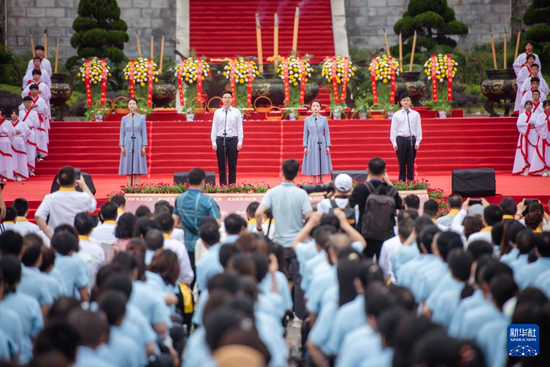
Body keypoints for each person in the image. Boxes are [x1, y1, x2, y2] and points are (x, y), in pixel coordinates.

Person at [255, 159, 312, 270]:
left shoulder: (272, 192)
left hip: (280, 243)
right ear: (296, 174)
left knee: (281, 275)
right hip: (298, 243)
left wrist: (259, 229)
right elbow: (309, 216)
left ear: (282, 172)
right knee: (298, 279)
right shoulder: (301, 193)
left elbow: (258, 212)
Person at [349, 157, 402, 259]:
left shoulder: (361, 189)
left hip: (364, 234)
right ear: (384, 171)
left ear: (367, 170)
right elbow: (401, 204)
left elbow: (350, 204)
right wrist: (389, 183)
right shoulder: (390, 190)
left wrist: (367, 182)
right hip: (386, 234)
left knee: (365, 265)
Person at [173, 168, 220, 271]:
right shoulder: (208, 200)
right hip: (205, 246)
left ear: (188, 181)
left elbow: (174, 223)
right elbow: (217, 223)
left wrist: (186, 225)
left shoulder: (180, 199)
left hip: (187, 245)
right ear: (203, 182)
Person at [35, 166, 97, 239]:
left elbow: (38, 215)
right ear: (75, 181)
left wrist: (50, 235)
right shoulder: (83, 197)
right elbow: (92, 207)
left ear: (58, 181)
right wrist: (83, 185)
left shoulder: (50, 198)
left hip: (57, 237)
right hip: (76, 238)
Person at [210, 91, 243, 185]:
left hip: (232, 140)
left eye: (229, 97)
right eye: (225, 97)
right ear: (222, 99)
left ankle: (232, 185)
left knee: (232, 165)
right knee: (222, 165)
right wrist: (214, 142)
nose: (227, 99)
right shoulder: (217, 112)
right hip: (220, 139)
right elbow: (214, 127)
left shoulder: (236, 112)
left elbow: (239, 127)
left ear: (232, 99)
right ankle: (223, 185)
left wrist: (240, 141)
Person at [390, 93, 422, 181]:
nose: (406, 102)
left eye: (407, 100)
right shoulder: (396, 115)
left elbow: (418, 128)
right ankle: (401, 179)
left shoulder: (415, 114)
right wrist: (394, 142)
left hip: (411, 139)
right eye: (404, 100)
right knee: (401, 161)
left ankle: (411, 179)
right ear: (400, 102)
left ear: (411, 102)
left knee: (410, 161)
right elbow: (394, 129)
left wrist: (418, 141)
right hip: (401, 139)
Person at [301, 100, 332, 181]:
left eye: (317, 106)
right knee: (312, 162)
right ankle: (313, 183)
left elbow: (327, 133)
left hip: (321, 142)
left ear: (320, 108)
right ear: (311, 108)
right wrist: (305, 146)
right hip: (311, 142)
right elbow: (305, 133)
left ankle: (321, 182)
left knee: (321, 162)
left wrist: (328, 145)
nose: (315, 108)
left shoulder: (324, 119)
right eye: (314, 106)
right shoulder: (307, 120)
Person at [119, 98, 147, 185]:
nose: (132, 105)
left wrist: (144, 146)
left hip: (138, 142)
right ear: (128, 106)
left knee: (138, 165)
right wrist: (121, 146)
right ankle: (129, 187)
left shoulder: (141, 118)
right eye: (130, 103)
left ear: (136, 106)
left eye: (134, 103)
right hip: (127, 142)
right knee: (128, 164)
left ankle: (137, 187)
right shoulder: (124, 119)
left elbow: (144, 133)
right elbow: (122, 133)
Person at [513, 101, 538, 175]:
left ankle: (533, 168)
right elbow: (519, 124)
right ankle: (524, 168)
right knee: (524, 150)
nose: (529, 106)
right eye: (527, 105)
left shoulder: (535, 115)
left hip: (533, 134)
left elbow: (537, 123)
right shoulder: (522, 115)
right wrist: (528, 125)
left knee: (532, 150)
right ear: (525, 106)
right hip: (524, 134)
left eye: (530, 105)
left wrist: (533, 125)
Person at [20, 96, 40, 176]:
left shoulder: (34, 113)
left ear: (31, 103)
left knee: (31, 151)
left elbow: (37, 124)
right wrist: (25, 127)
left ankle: (31, 169)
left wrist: (29, 127)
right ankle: (23, 170)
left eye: (28, 102)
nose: (27, 104)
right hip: (23, 133)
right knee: (23, 151)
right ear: (23, 103)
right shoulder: (20, 113)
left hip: (31, 132)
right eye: (25, 102)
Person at [530, 100, 550, 176]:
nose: (548, 107)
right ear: (544, 107)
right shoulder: (541, 115)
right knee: (543, 152)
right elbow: (537, 125)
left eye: (549, 105)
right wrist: (546, 123)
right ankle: (543, 169)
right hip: (543, 135)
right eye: (547, 105)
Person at [10, 109, 31, 181]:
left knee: (21, 158)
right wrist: (14, 133)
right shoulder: (8, 123)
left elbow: (28, 132)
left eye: (15, 114)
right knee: (13, 158)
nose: (13, 115)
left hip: (20, 141)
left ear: (18, 115)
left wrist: (23, 138)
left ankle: (21, 174)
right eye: (12, 114)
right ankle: (13, 174)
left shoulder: (22, 123)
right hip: (12, 142)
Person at [0, 109, 15, 181]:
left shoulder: (8, 123)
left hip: (5, 141)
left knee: (6, 158)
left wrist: (9, 140)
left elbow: (12, 133)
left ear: (4, 115)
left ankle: (6, 175)